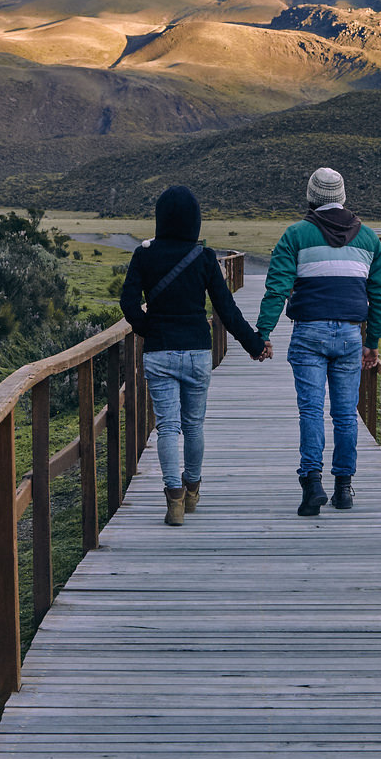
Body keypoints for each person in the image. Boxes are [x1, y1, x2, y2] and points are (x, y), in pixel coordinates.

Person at [120, 185, 268, 526]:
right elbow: (226, 309)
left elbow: (128, 303)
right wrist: (255, 345)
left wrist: (149, 328)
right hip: (198, 352)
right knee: (193, 425)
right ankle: (193, 489)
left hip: (159, 352)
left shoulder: (144, 255)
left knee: (168, 427)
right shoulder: (203, 257)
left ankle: (173, 499)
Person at [255, 167, 381, 517]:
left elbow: (277, 287)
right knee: (346, 414)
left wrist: (264, 333)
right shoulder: (369, 239)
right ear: (342, 197)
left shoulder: (295, 235)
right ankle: (343, 489)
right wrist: (372, 341)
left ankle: (312, 484)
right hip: (348, 335)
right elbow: (380, 293)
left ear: (311, 197)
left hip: (308, 332)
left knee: (311, 410)